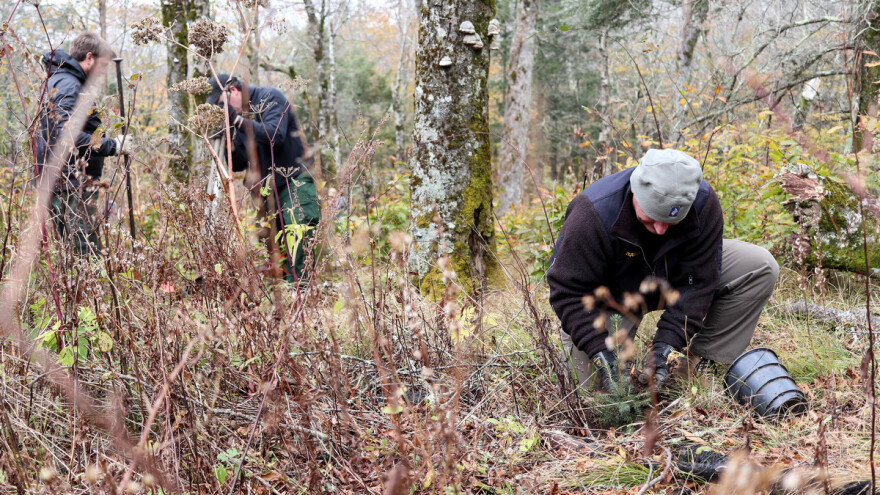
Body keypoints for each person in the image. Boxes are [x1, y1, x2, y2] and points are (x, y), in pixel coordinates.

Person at [548, 149, 779, 394]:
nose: (659, 230)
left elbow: (700, 283)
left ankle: (694, 365)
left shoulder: (703, 203)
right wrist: (601, 354)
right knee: (596, 394)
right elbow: (567, 292)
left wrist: (665, 349)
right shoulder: (593, 212)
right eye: (650, 220)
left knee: (759, 265)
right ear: (636, 190)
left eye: (670, 223)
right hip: (611, 297)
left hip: (673, 276)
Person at [206, 74, 319, 285]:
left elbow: (274, 135)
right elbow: (239, 164)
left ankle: (303, 295)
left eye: (220, 105)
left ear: (233, 90)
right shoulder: (236, 117)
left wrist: (236, 120)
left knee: (300, 233)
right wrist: (226, 137)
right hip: (264, 192)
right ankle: (282, 304)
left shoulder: (269, 97)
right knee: (272, 248)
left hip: (293, 180)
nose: (221, 110)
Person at [36, 32, 129, 256]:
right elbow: (63, 135)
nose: (104, 71)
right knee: (85, 253)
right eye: (103, 65)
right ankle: (90, 291)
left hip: (65, 180)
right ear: (89, 58)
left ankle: (77, 291)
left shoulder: (62, 80)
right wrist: (113, 146)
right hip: (71, 183)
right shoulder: (69, 85)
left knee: (75, 254)